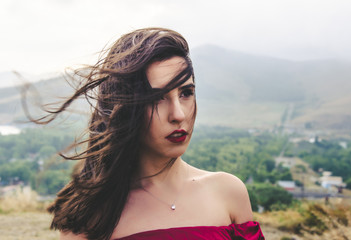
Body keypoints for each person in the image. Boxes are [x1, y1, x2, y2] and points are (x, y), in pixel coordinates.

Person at [41, 28, 264, 240]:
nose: (178, 114)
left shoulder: (227, 192)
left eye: (186, 93)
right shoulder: (89, 216)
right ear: (124, 107)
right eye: (157, 97)